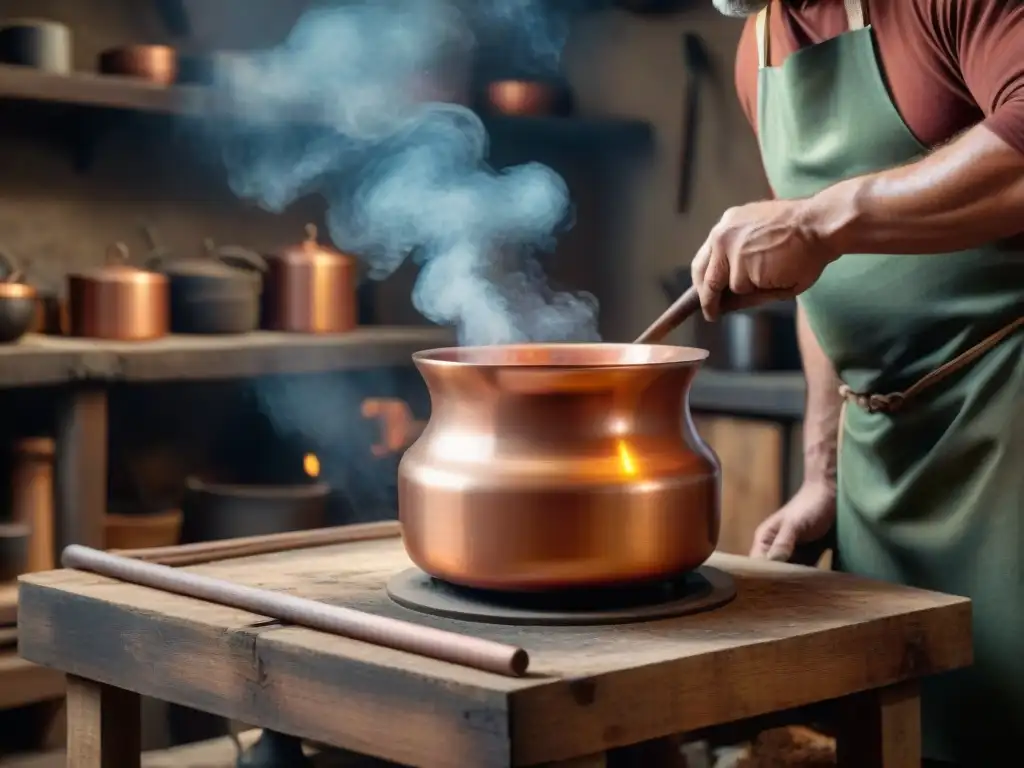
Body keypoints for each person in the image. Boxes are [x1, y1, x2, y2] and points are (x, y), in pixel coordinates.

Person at [695, 0, 1024, 765]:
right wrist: (823, 474)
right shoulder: (759, 47)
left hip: (1008, 423)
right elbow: (817, 277)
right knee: (909, 735)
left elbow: (815, 232)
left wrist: (815, 222)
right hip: (882, 464)